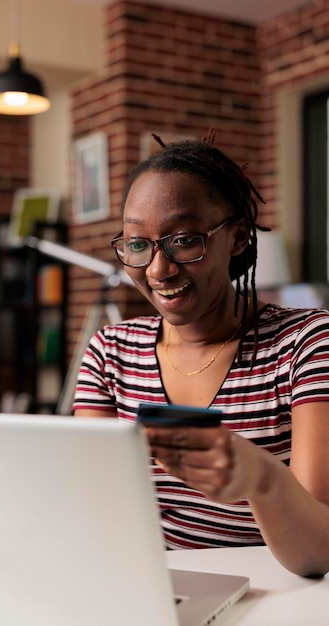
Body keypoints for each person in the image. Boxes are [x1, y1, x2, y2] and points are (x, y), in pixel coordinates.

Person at [73, 135, 329, 577]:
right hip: (157, 587)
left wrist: (261, 478)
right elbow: (94, 510)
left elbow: (319, 552)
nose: (158, 268)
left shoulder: (306, 343)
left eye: (184, 240)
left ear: (237, 237)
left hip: (279, 591)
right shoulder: (110, 352)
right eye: (138, 244)